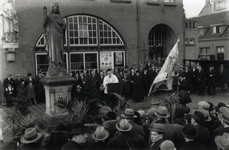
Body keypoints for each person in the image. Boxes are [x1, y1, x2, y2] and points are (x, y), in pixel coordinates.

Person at [43, 3, 66, 70]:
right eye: (55, 6)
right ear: (52, 8)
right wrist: (44, 12)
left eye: (57, 6)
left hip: (60, 35)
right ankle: (54, 65)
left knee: (61, 50)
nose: (56, 8)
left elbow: (64, 26)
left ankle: (60, 64)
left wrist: (63, 24)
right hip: (53, 35)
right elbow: (44, 22)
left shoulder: (60, 16)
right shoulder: (50, 16)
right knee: (54, 49)